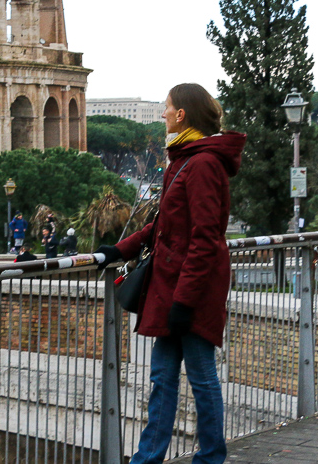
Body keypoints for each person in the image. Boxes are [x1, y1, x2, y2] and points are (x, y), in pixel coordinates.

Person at [97, 83, 245, 464]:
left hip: (188, 292)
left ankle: (211, 457)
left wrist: (183, 301)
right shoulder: (185, 160)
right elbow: (164, 226)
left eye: (166, 108)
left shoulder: (202, 164)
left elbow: (205, 238)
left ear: (181, 115)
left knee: (201, 377)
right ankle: (147, 459)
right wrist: (117, 249)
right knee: (162, 379)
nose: (163, 114)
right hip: (172, 290)